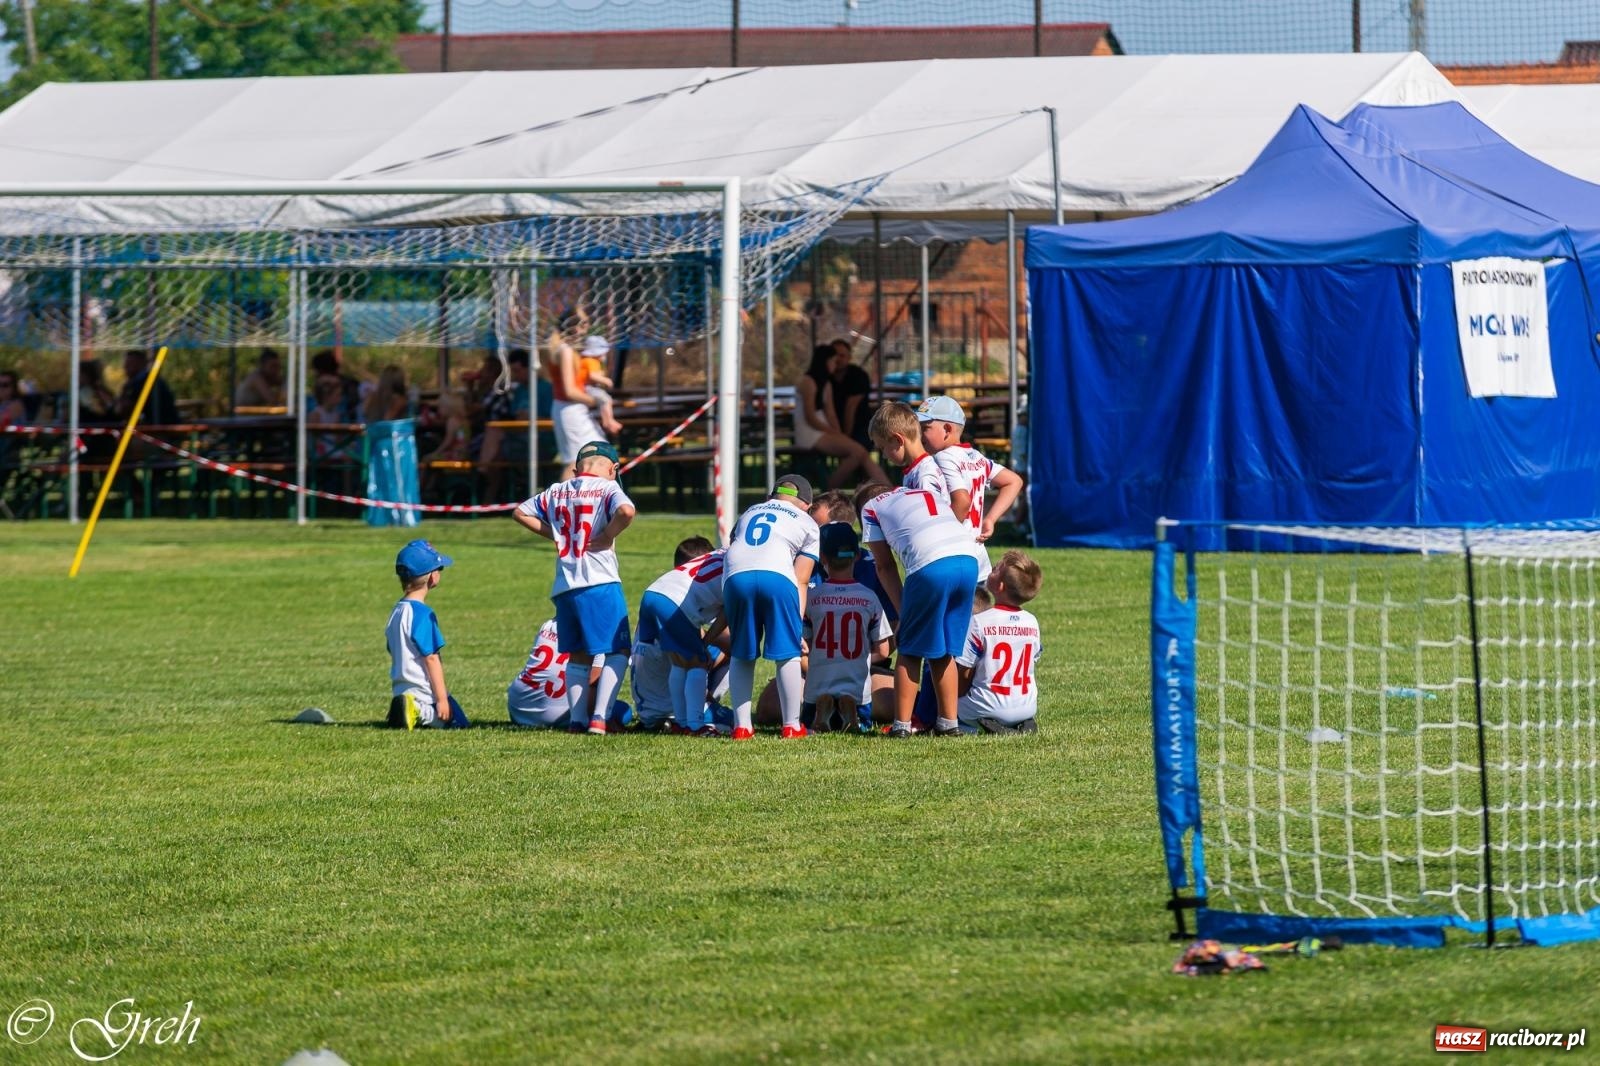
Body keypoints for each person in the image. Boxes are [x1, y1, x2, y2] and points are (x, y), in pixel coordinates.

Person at [862, 403, 982, 738]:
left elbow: (885, 564)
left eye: (884, 448)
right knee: (944, 648)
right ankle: (949, 723)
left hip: (933, 562)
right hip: (965, 558)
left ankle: (903, 724)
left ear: (897, 440)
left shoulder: (890, 497)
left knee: (911, 647)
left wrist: (903, 611)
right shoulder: (915, 476)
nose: (884, 456)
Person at [512, 439, 636, 735]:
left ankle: (578, 721)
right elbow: (626, 511)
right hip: (599, 580)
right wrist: (607, 536)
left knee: (578, 654)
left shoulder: (557, 490)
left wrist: (557, 536)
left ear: (576, 468)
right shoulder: (608, 488)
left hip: (565, 585)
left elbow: (520, 512)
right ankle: (599, 718)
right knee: (618, 650)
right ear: (613, 468)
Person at [723, 474, 821, 739]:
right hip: (777, 576)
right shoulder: (808, 523)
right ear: (806, 505)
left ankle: (742, 727)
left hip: (736, 577)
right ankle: (791, 725)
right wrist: (796, 626)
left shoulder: (749, 511)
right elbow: (801, 578)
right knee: (787, 652)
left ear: (771, 497)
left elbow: (736, 545)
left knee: (742, 653)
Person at [917, 395, 1026, 579]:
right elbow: (1014, 481)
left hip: (954, 554)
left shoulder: (944, 457)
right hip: (978, 556)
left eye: (925, 428)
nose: (920, 435)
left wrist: (938, 535)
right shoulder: (975, 456)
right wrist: (990, 519)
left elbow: (962, 502)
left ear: (947, 429)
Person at [803, 523, 893, 733]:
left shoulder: (812, 598)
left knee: (808, 722)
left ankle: (822, 712)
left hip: (817, 685)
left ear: (822, 558)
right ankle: (851, 714)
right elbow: (883, 651)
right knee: (863, 724)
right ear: (856, 557)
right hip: (856, 685)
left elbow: (805, 645)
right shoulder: (869, 598)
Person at [637, 535, 729, 735]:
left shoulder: (721, 553)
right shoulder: (741, 564)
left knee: (679, 662)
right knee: (696, 661)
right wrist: (707, 641)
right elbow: (726, 615)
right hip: (674, 601)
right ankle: (695, 725)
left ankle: (681, 721)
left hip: (653, 592)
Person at [957, 550, 1044, 735]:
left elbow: (964, 674)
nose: (991, 570)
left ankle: (977, 725)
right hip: (1026, 706)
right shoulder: (1032, 622)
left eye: (995, 569)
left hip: (986, 706)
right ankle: (1018, 722)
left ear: (1000, 586)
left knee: (943, 696)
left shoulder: (980, 621)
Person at [385, 539, 469, 730]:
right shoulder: (423, 614)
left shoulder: (396, 612)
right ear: (432, 577)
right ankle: (417, 710)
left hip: (401, 688)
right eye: (440, 569)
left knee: (454, 715)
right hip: (424, 692)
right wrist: (441, 699)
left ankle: (404, 707)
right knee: (457, 722)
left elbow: (392, 648)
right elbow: (431, 658)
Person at [793, 344, 887, 489]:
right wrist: (834, 433)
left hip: (822, 431)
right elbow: (810, 417)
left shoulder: (826, 384)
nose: (835, 365)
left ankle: (886, 487)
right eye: (833, 361)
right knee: (858, 452)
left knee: (860, 452)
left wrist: (840, 434)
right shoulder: (808, 382)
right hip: (810, 433)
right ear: (825, 361)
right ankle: (830, 487)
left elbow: (831, 414)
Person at [544, 310, 609, 478]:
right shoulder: (565, 350)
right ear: (573, 325)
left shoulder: (567, 349)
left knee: (598, 454)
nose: (587, 328)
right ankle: (560, 503)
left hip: (573, 409)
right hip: (569, 409)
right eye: (584, 324)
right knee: (575, 461)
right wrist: (594, 400)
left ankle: (585, 501)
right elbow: (569, 391)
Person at [829, 337, 874, 448]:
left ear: (849, 357)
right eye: (835, 356)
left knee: (856, 450)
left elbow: (851, 408)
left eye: (842, 356)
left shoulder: (858, 375)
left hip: (860, 428)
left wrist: (845, 438)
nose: (838, 359)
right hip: (831, 427)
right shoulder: (825, 377)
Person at [115, 348, 178, 426]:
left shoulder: (145, 382)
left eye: (129, 364)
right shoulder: (145, 380)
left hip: (159, 429)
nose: (125, 367)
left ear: (141, 363)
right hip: (158, 426)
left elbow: (123, 409)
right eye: (125, 364)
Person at [579, 335, 625, 437]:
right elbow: (592, 376)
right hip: (586, 388)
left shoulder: (587, 360)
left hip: (586, 387)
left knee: (604, 400)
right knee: (606, 399)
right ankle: (609, 421)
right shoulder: (591, 361)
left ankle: (607, 420)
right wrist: (606, 380)